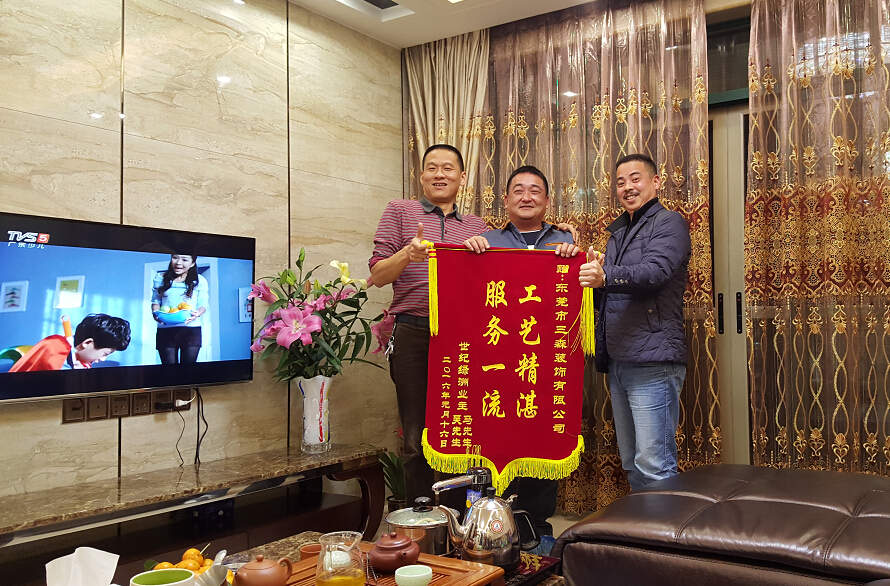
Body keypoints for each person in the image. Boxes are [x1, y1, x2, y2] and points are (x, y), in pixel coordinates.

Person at [463, 164, 581, 540]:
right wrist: (468, 255)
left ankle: (536, 528)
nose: (526, 197)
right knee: (495, 438)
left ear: (547, 200)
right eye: (518, 190)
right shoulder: (486, 241)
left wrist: (573, 256)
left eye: (534, 190)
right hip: (496, 364)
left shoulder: (564, 241)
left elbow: (582, 295)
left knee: (540, 438)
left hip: (544, 363)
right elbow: (465, 297)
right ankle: (488, 527)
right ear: (506, 199)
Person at [369, 144, 489, 506]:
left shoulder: (477, 225)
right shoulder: (399, 211)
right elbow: (377, 275)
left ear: (462, 177)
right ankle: (421, 520)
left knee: (461, 432)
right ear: (421, 176)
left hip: (462, 336)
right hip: (412, 331)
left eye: (448, 168)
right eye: (432, 168)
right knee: (415, 435)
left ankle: (458, 520)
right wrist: (408, 253)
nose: (440, 174)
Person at [578, 153, 691, 491]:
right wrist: (595, 272)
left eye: (635, 178)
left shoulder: (669, 223)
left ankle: (664, 527)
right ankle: (643, 525)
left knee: (654, 464)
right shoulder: (619, 233)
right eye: (620, 182)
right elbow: (609, 291)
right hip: (620, 359)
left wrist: (606, 274)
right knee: (631, 461)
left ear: (656, 182)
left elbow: (655, 272)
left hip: (653, 360)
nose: (627, 187)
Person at [10, 313, 131, 372]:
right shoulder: (55, 346)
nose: (103, 359)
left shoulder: (82, 362)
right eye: (105, 354)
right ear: (87, 343)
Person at [151, 253, 208, 364]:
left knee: (188, 371)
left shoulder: (200, 280)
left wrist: (197, 313)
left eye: (184, 260)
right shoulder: (160, 278)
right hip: (165, 329)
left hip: (191, 330)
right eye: (175, 258)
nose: (178, 263)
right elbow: (156, 301)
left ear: (192, 263)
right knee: (168, 371)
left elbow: (203, 305)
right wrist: (155, 313)